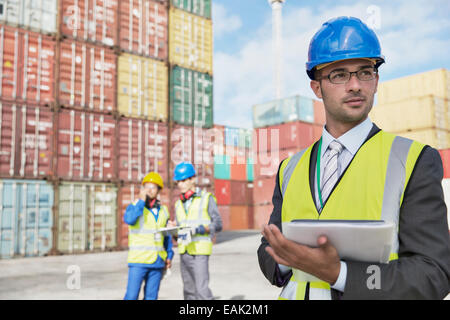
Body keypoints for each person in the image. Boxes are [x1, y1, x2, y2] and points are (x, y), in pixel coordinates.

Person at [257, 16, 450, 300]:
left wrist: (340, 274)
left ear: (376, 80)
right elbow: (268, 250)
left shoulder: (414, 161)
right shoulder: (290, 168)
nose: (355, 85)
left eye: (364, 72)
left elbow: (432, 273)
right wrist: (289, 257)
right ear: (317, 87)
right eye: (339, 74)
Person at [170, 161, 222, 300]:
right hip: (184, 251)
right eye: (178, 182)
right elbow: (179, 231)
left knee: (202, 291)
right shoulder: (178, 204)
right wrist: (173, 229)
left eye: (183, 180)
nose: (180, 184)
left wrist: (199, 229)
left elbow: (218, 224)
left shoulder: (206, 198)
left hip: (200, 251)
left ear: (193, 179)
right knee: (188, 292)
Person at [123, 172, 173, 300]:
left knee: (151, 297)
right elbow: (129, 219)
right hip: (138, 261)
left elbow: (166, 236)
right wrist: (140, 201)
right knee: (131, 296)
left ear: (159, 190)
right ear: (142, 189)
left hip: (157, 262)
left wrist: (169, 255)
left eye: (153, 187)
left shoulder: (164, 211)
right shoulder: (135, 206)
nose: (150, 190)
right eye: (147, 186)